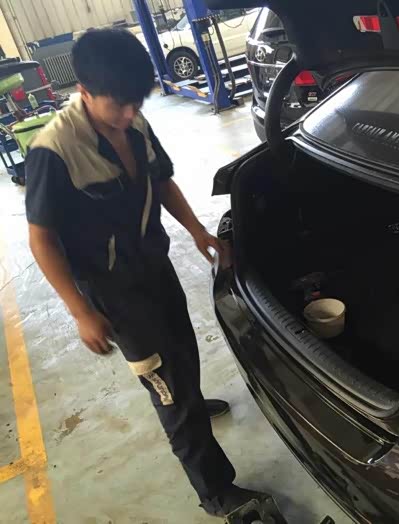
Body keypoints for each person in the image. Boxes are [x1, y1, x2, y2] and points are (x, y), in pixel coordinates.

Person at [25, 29, 256, 518]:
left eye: (137, 102)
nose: (130, 114)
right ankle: (217, 493)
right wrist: (80, 311)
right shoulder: (54, 151)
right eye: (119, 105)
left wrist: (197, 230)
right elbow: (41, 240)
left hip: (154, 265)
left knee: (182, 348)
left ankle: (190, 400)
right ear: (84, 91)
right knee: (166, 389)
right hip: (112, 291)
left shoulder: (135, 121)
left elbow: (162, 180)